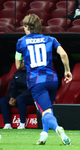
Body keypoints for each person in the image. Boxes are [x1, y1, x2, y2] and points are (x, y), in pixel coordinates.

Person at [15, 14, 72, 145]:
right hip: (52, 80)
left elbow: (18, 65)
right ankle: (44, 135)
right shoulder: (50, 39)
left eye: (24, 26)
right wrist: (67, 71)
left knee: (45, 111)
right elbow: (63, 53)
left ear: (27, 26)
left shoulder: (21, 42)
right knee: (47, 109)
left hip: (36, 81)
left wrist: (28, 62)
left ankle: (58, 129)